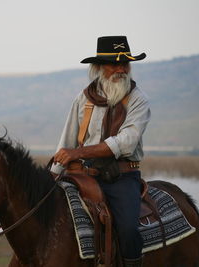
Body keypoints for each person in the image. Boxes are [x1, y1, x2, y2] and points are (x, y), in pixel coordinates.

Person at [51, 36, 150, 266]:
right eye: (113, 63)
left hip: (122, 178)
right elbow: (66, 143)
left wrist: (78, 153)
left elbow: (127, 142)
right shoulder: (83, 99)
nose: (120, 69)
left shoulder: (138, 100)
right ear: (98, 67)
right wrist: (53, 176)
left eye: (124, 63)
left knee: (127, 229)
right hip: (83, 176)